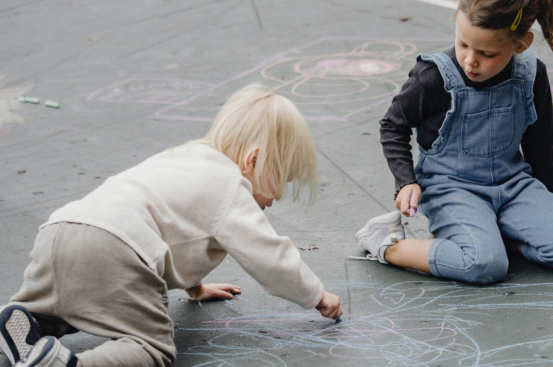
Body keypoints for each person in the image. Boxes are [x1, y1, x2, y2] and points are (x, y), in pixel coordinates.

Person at [0, 84, 342, 367]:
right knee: (153, 349)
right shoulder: (230, 185)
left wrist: (194, 287)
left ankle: (22, 321)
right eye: (280, 181)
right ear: (252, 161)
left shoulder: (184, 157)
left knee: (73, 304)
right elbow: (269, 257)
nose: (277, 198)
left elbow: (178, 231)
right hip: (116, 249)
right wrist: (316, 295)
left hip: (61, 230)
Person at [355, 0, 553, 284]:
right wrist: (406, 180)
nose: (470, 60)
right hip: (451, 187)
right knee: (483, 264)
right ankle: (386, 243)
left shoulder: (531, 75)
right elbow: (393, 125)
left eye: (486, 52)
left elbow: (542, 149)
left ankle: (497, 237)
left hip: (512, 184)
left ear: (520, 44)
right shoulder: (435, 76)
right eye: (462, 43)